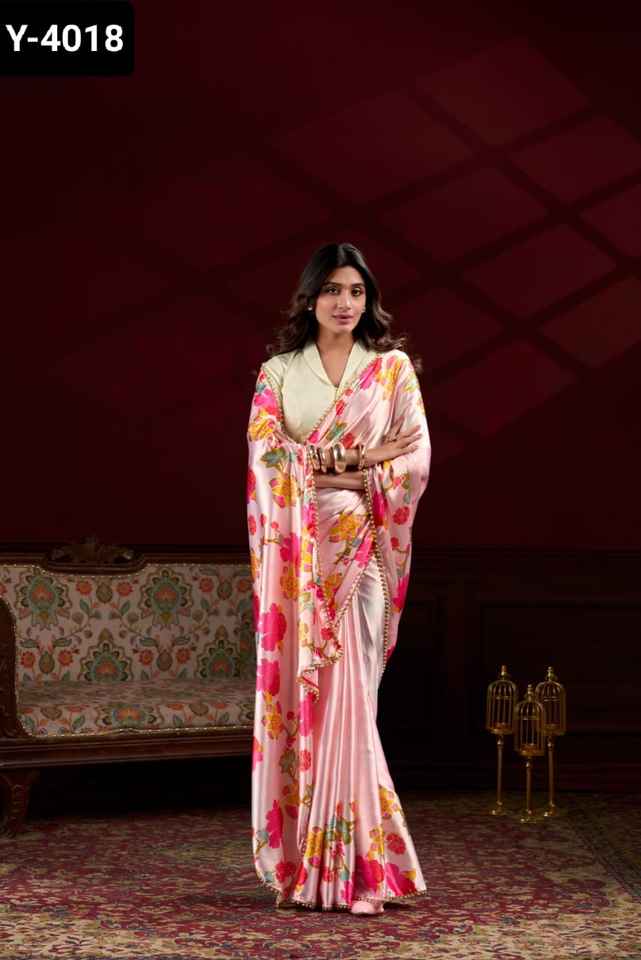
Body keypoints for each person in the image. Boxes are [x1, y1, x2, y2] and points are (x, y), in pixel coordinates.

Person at [247, 241, 431, 914]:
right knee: (310, 708)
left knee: (354, 703)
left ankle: (361, 867)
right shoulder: (277, 373)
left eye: (356, 291)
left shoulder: (390, 369)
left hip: (362, 555)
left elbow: (413, 462)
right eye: (332, 290)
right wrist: (362, 459)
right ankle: (311, 863)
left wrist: (326, 466)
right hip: (299, 564)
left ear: (368, 298)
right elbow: (267, 463)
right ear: (309, 298)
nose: (345, 302)